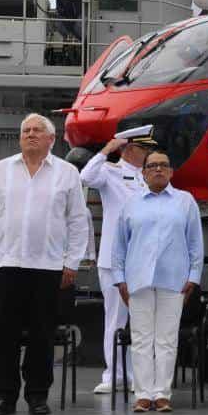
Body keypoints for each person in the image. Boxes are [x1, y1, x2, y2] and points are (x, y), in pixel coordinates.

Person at [0, 113, 91, 415]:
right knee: (5, 334)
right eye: (25, 130)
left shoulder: (66, 173)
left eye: (37, 130)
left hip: (49, 266)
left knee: (43, 333)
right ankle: (4, 396)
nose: (30, 134)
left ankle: (38, 395)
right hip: (7, 263)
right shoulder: (1, 170)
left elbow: (78, 221)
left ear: (51, 139)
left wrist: (72, 263)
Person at [112, 149, 203, 413]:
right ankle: (143, 394)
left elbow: (195, 244)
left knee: (166, 339)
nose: (158, 169)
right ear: (144, 172)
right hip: (137, 279)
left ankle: (162, 394)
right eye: (152, 166)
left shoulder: (185, 202)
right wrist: (119, 280)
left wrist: (194, 278)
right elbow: (119, 246)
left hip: (174, 280)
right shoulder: (131, 204)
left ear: (172, 171)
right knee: (141, 338)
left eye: (164, 165)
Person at [79, 125, 153, 395]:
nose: (148, 154)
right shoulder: (110, 172)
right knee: (115, 319)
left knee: (141, 319)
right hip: (114, 258)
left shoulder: (148, 177)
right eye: (144, 148)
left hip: (143, 257)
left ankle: (137, 376)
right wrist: (107, 150)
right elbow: (86, 177)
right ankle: (113, 375)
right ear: (129, 148)